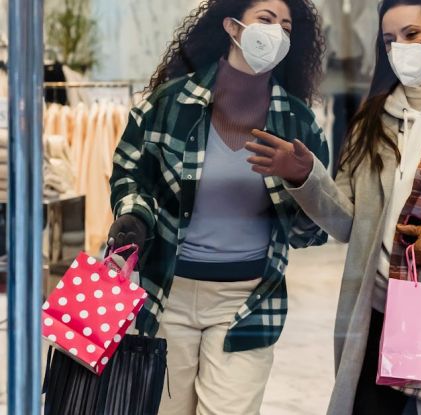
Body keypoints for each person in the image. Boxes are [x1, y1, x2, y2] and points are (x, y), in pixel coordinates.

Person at [245, 0, 421, 413]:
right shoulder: (374, 118)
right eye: (389, 39)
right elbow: (348, 222)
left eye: (411, 34)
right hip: (376, 313)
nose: (400, 47)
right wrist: (305, 176)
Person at [107, 0, 329, 413]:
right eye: (265, 20)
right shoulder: (170, 103)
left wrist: (300, 180)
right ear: (232, 26)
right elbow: (129, 172)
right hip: (167, 293)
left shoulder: (298, 123)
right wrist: (134, 214)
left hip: (247, 301)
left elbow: (312, 234)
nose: (277, 33)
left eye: (286, 26)